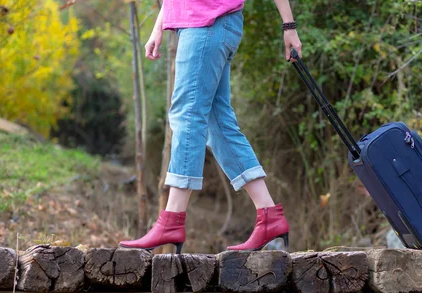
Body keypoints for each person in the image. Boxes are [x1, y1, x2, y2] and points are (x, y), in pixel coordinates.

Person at [119, 0, 302, 254]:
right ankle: (269, 215)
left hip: (208, 22)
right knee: (219, 125)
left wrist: (289, 25)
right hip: (202, 23)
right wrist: (159, 26)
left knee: (188, 115)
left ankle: (172, 219)